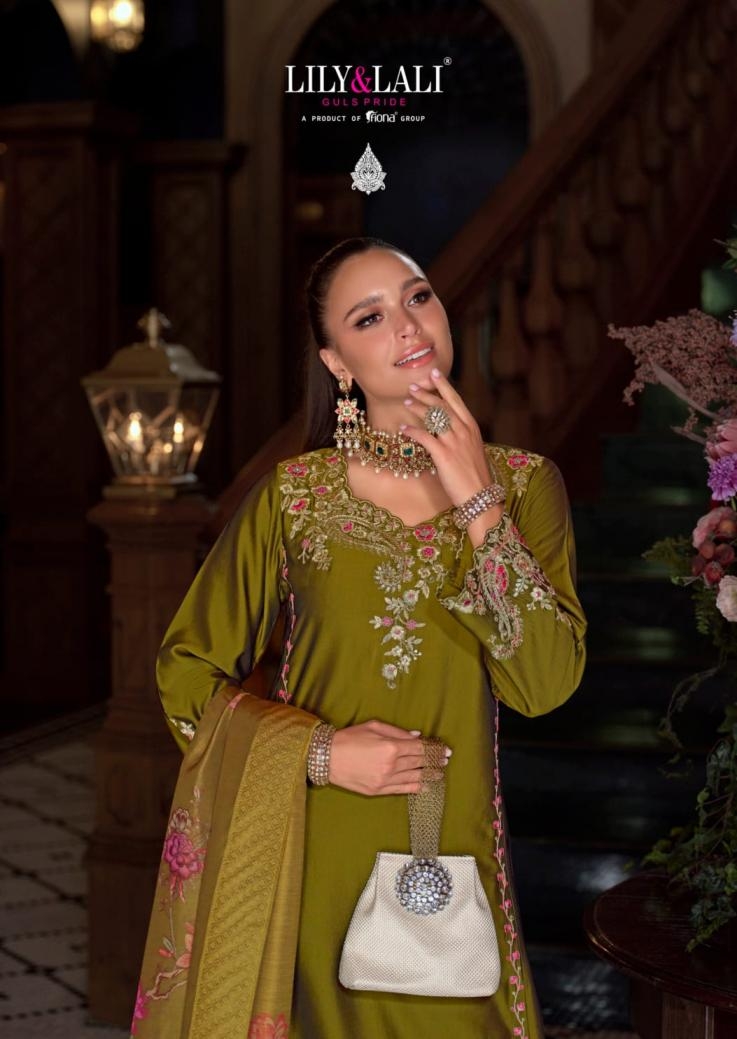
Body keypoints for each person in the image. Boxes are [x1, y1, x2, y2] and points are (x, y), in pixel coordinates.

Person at [131, 237, 587, 1039]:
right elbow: (184, 672)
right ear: (336, 362)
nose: (407, 324)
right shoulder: (294, 498)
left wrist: (477, 502)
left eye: (418, 297)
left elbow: (543, 684)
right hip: (312, 858)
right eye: (369, 317)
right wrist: (318, 753)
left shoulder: (522, 486)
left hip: (453, 858)